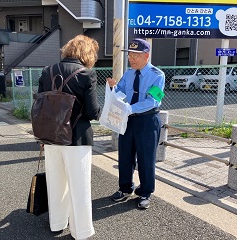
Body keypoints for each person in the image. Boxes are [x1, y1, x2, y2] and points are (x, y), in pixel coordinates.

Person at [37, 34, 101, 240]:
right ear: (87, 54)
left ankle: (57, 223)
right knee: (79, 186)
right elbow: (92, 112)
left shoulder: (47, 72)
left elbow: (40, 105)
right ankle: (81, 231)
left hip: (51, 136)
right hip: (77, 138)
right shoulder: (86, 74)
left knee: (56, 182)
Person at [107, 38, 165, 209]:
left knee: (146, 158)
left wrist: (129, 109)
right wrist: (113, 87)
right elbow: (121, 92)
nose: (131, 58)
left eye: (135, 55)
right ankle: (125, 188)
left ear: (146, 56)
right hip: (128, 119)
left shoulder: (157, 75)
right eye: (130, 55)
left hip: (148, 120)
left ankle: (145, 192)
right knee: (125, 155)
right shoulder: (128, 74)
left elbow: (153, 100)